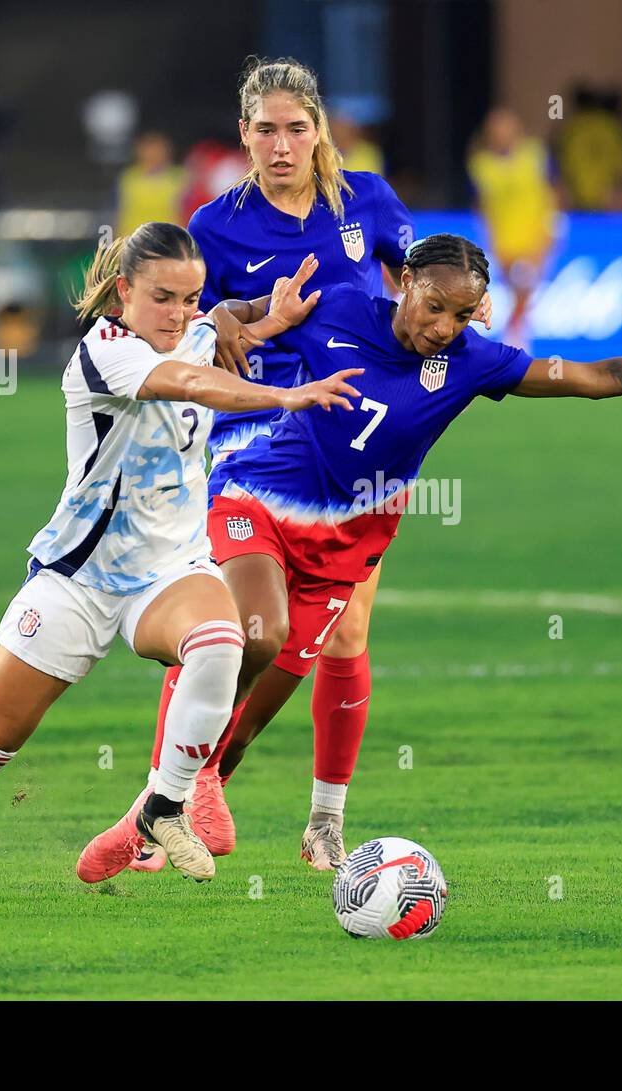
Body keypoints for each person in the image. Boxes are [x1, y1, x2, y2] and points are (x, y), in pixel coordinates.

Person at [77, 233, 622, 879]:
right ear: (405, 282)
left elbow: (592, 377)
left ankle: (143, 822)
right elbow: (237, 313)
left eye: (461, 314)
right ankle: (186, 784)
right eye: (434, 306)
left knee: (244, 726)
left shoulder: (473, 362)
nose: (442, 326)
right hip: (253, 496)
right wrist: (228, 315)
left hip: (346, 545)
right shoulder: (341, 303)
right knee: (256, 633)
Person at [0, 223, 360, 916]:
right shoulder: (104, 353)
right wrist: (284, 396)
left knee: (221, 642)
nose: (177, 313)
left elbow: (218, 322)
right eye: (161, 298)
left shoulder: (192, 329)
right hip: (79, 579)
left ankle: (165, 804)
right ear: (123, 292)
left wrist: (263, 313)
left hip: (169, 572)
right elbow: (189, 381)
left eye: (188, 297)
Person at [111, 57, 480, 874]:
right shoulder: (212, 224)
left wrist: (464, 308)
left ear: (321, 132)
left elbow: (424, 279)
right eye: (266, 130)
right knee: (245, 631)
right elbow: (178, 321)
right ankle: (170, 800)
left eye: (297, 129)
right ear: (244, 135)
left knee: (341, 632)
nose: (282, 146)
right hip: (254, 438)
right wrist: (226, 321)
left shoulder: (368, 202)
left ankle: (312, 818)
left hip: (359, 443)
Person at [467, 107, 558, 350]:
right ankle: (516, 338)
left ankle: (513, 340)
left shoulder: (535, 155)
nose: (502, 134)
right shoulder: (481, 165)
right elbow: (481, 207)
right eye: (496, 129)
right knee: (518, 291)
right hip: (504, 243)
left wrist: (551, 230)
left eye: (506, 127)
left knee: (524, 286)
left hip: (536, 237)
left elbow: (554, 191)